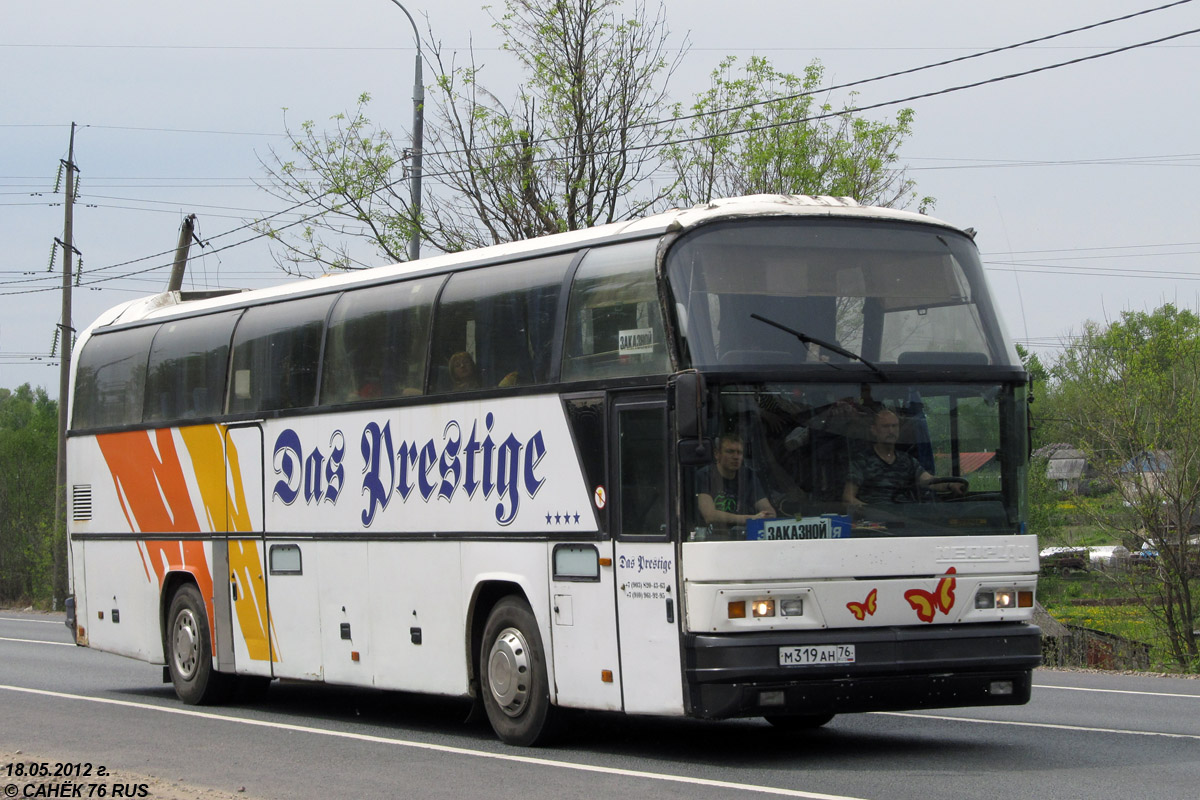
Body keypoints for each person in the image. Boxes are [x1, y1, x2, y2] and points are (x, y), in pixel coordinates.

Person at [843, 408, 965, 508]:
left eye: (894, 426)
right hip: (876, 524)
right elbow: (848, 498)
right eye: (885, 426)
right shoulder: (861, 460)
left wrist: (950, 485)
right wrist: (872, 512)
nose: (891, 431)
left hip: (906, 518)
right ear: (874, 430)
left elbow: (929, 482)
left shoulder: (907, 460)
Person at [697, 432, 777, 528]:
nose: (736, 457)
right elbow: (709, 515)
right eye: (730, 451)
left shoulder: (748, 475)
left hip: (744, 536)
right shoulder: (705, 475)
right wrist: (751, 519)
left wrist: (765, 515)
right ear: (717, 454)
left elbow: (770, 513)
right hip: (713, 538)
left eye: (739, 452)